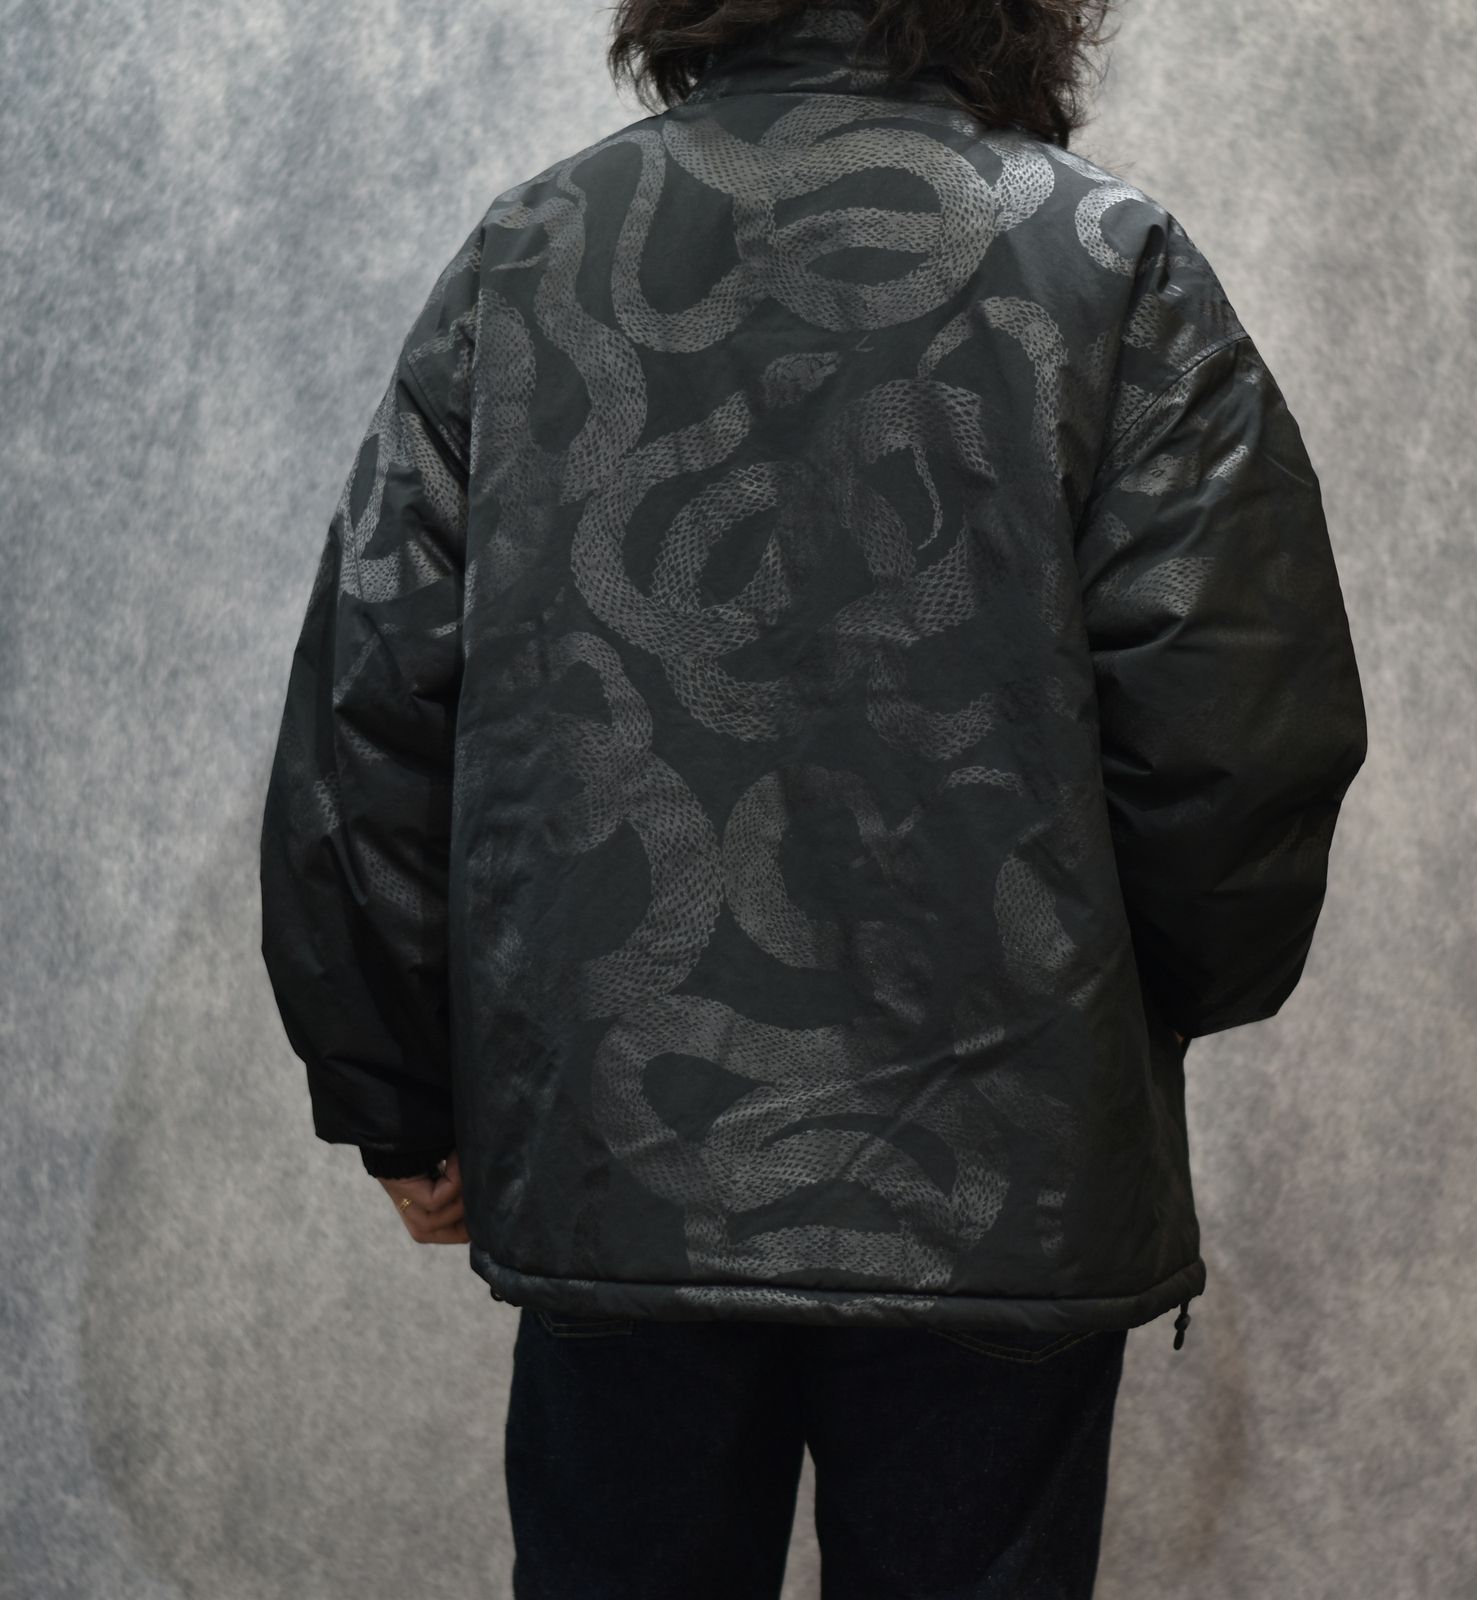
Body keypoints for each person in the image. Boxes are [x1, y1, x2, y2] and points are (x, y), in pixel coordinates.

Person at [257, 0, 1368, 1592]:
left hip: (624, 1160)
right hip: (1002, 1176)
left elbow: (370, 714)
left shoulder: (531, 256)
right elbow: (1237, 730)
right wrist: (1132, 1026)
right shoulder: (1109, 262)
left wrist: (398, 1093)